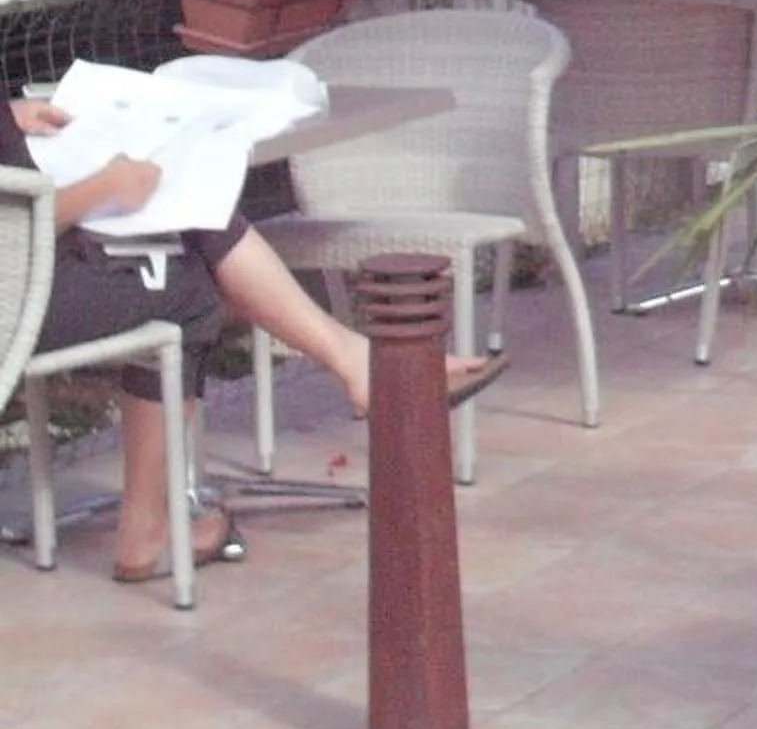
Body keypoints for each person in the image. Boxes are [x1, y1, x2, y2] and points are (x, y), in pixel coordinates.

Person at [4, 96, 504, 583]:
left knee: (192, 216)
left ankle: (356, 360)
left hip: (28, 270)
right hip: (17, 298)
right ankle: (146, 532)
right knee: (188, 294)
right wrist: (105, 186)